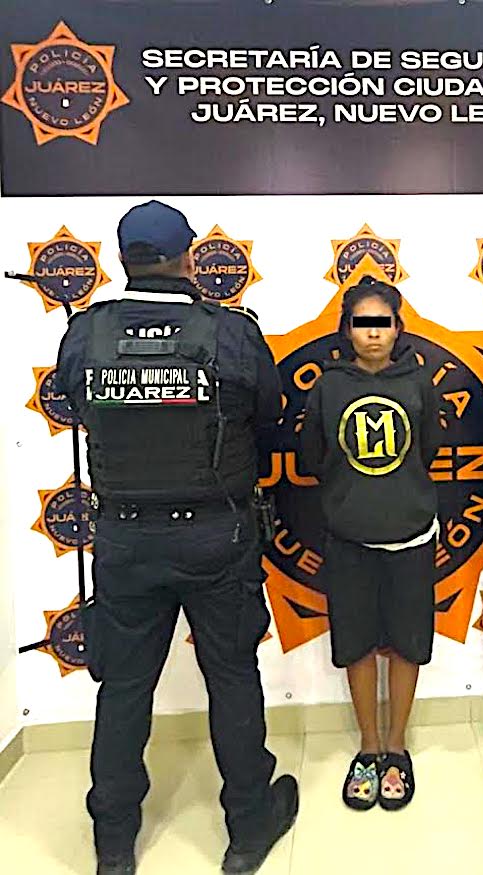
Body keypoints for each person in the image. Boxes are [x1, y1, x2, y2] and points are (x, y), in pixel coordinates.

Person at [55, 200, 298, 875]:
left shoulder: (86, 333)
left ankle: (113, 843)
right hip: (216, 534)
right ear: (188, 258)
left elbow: (77, 404)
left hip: (125, 537)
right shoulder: (230, 332)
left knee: (123, 688)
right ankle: (247, 829)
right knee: (232, 677)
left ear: (121, 258)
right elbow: (270, 413)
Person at [300, 275, 442, 812]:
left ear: (398, 328)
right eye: (363, 324)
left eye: (383, 323)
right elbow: (313, 457)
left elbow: (429, 450)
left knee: (408, 644)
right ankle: (368, 746)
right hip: (349, 540)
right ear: (347, 330)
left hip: (412, 539)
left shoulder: (420, 383)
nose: (374, 334)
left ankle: (397, 747)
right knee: (356, 645)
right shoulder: (328, 387)